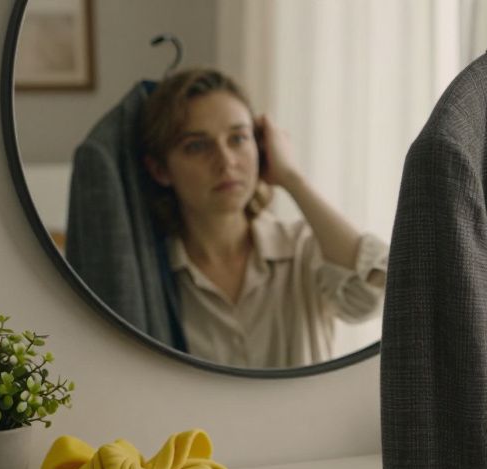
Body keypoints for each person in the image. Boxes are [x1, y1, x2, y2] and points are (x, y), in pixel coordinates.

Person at [140, 68, 388, 369]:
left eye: (238, 138)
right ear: (160, 170)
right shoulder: (151, 276)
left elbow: (373, 296)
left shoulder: (302, 249)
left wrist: (291, 178)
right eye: (197, 145)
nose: (226, 161)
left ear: (260, 147)